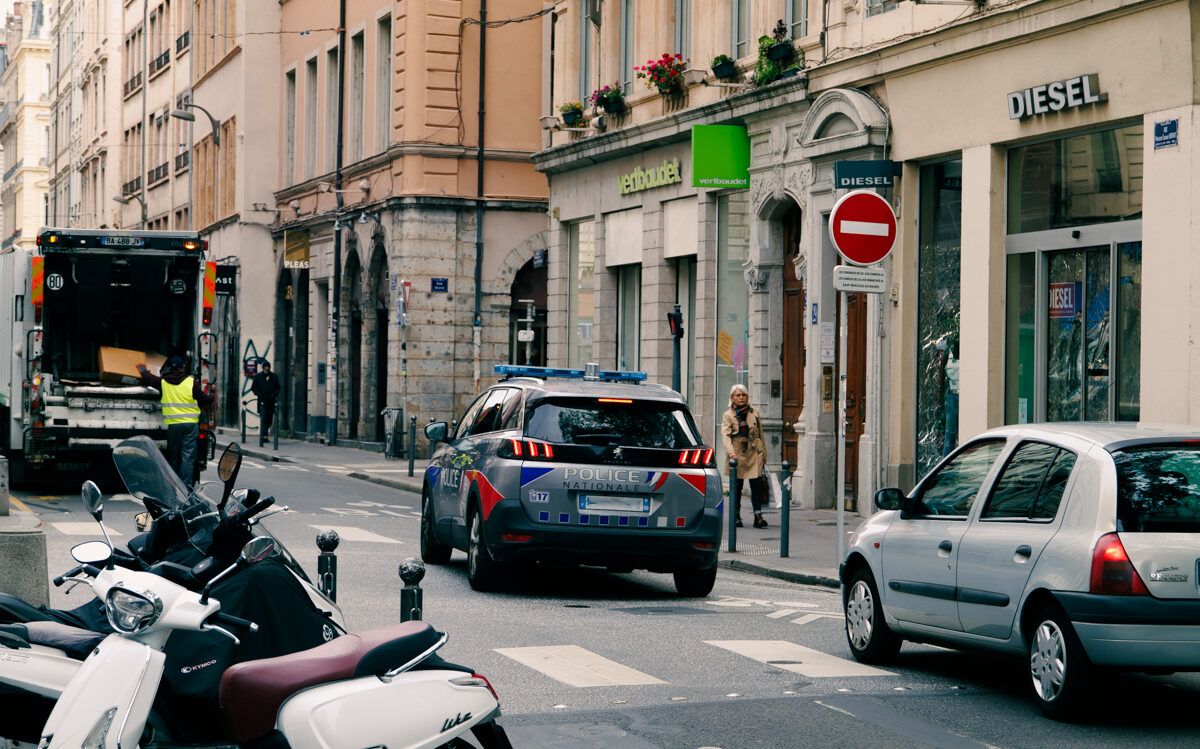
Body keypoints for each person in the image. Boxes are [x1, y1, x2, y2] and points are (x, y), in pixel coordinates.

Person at [137, 355, 212, 488]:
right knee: (187, 458)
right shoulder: (191, 382)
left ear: (169, 368)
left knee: (174, 457)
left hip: (174, 426)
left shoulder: (163, 382)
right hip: (190, 425)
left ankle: (173, 485)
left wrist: (143, 370)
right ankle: (185, 487)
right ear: (183, 368)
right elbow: (204, 399)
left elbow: (149, 379)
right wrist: (210, 397)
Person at [721, 383, 769, 528]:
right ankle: (736, 516)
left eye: (744, 395)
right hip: (737, 454)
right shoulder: (728, 415)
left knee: (757, 486)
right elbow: (725, 435)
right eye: (738, 395)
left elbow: (760, 434)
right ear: (732, 398)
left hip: (754, 452)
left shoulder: (754, 413)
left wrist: (764, 453)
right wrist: (731, 453)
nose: (741, 398)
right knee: (737, 487)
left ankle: (758, 516)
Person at [251, 360, 281, 446]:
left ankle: (265, 433)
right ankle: (264, 435)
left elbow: (278, 388)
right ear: (263, 368)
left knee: (269, 419)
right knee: (263, 418)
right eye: (265, 367)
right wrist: (258, 394)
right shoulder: (258, 376)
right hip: (262, 401)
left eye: (268, 367)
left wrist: (274, 394)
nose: (267, 369)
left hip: (271, 400)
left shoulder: (274, 376)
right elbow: (254, 387)